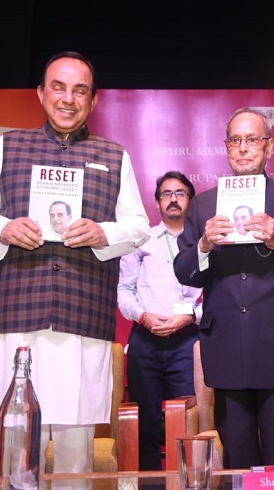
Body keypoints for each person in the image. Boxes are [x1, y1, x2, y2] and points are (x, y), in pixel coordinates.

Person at [0, 51, 151, 473]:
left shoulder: (114, 156)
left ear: (93, 100)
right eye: (58, 88)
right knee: (13, 447)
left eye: (79, 90)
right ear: (41, 94)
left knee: (74, 455)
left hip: (81, 319)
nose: (68, 99)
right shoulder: (9, 146)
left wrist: (104, 233)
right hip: (15, 316)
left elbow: (138, 225)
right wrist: (4, 228)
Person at [174, 108, 274, 469]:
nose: (243, 148)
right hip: (227, 347)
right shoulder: (202, 204)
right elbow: (184, 271)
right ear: (226, 147)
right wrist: (203, 246)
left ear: (269, 146)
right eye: (235, 140)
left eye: (252, 140)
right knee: (238, 466)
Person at [117, 171, 202, 470]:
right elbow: (124, 291)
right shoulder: (142, 241)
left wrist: (188, 316)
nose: (173, 199)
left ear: (190, 200)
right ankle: (150, 483)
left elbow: (213, 295)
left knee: (188, 418)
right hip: (145, 339)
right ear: (156, 203)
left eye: (180, 193)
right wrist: (142, 316)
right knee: (145, 422)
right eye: (166, 194)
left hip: (188, 339)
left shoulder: (204, 243)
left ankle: (189, 481)